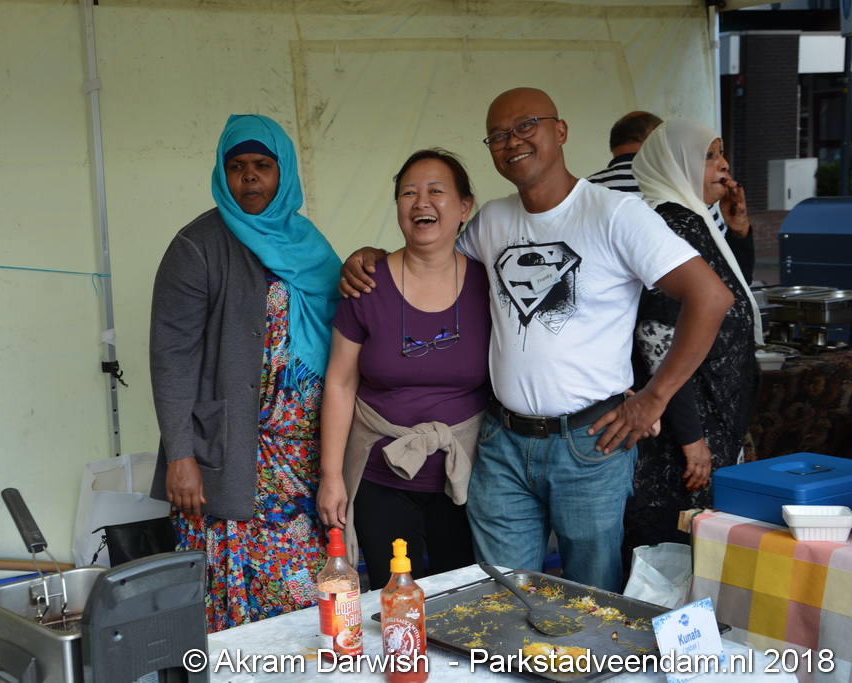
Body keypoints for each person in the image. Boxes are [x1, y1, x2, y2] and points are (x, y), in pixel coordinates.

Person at [339, 87, 735, 592]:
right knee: (500, 594)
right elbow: (429, 258)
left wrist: (655, 399)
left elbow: (711, 297)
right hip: (501, 442)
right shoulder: (491, 221)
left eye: (526, 126)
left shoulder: (616, 213)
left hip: (590, 442)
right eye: (498, 135)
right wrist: (371, 256)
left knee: (590, 597)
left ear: (560, 130)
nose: (513, 141)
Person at [149, 114, 341, 631]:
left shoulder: (309, 245)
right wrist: (180, 455)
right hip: (233, 457)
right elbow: (171, 357)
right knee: (235, 603)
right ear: (222, 173)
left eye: (262, 165)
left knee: (312, 596)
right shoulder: (197, 246)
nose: (249, 177)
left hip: (305, 460)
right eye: (236, 167)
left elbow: (348, 323)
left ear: (284, 172)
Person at [316, 149, 492, 590]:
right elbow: (340, 382)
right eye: (408, 193)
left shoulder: (490, 283)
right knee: (394, 602)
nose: (421, 203)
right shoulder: (366, 284)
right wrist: (331, 477)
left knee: (464, 602)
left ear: (465, 207)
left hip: (470, 477)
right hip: (381, 478)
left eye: (436, 191)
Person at [626, 119, 761, 552]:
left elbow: (731, 294)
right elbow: (658, 340)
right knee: (681, 548)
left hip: (710, 415)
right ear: (677, 164)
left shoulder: (695, 221)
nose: (723, 165)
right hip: (687, 426)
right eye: (708, 156)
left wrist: (738, 231)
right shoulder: (673, 226)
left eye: (721, 154)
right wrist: (692, 439)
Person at [588, 111, 756, 284]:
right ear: (663, 146)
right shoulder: (685, 199)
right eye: (708, 155)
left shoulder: (590, 190)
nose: (725, 164)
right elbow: (727, 281)